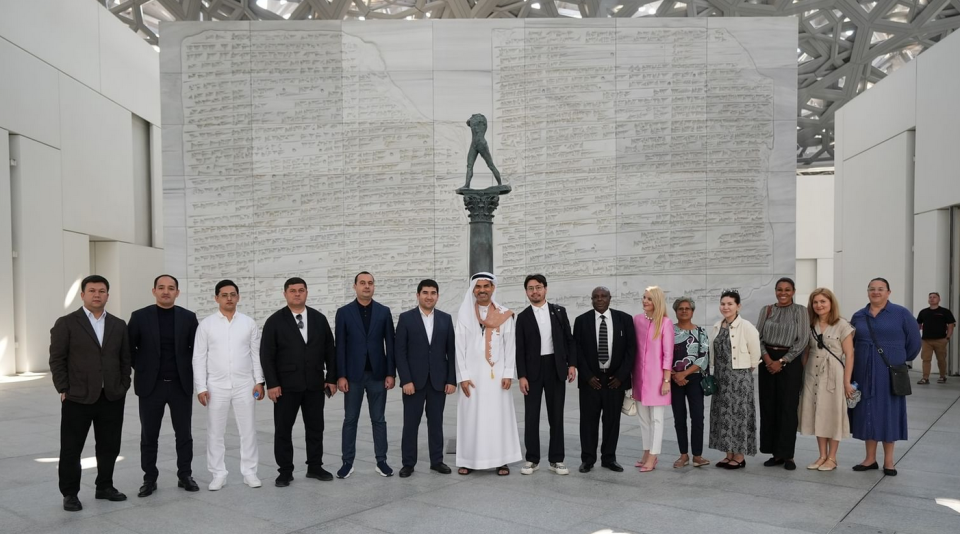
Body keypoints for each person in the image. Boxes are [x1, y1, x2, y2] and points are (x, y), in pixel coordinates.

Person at [49, 275, 131, 512]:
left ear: (108, 295)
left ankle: (104, 486)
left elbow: (125, 359)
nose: (97, 295)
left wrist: (123, 384)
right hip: (78, 397)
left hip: (112, 396)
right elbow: (57, 359)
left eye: (102, 291)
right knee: (71, 448)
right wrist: (63, 388)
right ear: (83, 295)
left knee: (109, 446)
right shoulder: (66, 323)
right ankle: (70, 494)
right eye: (92, 290)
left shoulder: (118, 324)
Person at [260, 277, 338, 487]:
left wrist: (331, 378)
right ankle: (285, 471)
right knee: (283, 429)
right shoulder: (274, 321)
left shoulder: (319, 319)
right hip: (285, 387)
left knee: (315, 428)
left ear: (306, 293)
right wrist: (272, 384)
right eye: (292, 290)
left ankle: (315, 466)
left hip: (314, 384)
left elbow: (330, 350)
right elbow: (267, 355)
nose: (297, 294)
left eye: (301, 290)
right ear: (285, 294)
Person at [128, 274, 200, 497]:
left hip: (180, 385)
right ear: (154, 291)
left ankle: (185, 475)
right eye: (161, 287)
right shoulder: (139, 317)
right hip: (152, 386)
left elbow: (196, 351)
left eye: (171, 288)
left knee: (184, 434)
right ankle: (149, 478)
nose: (166, 291)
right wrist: (143, 368)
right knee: (149, 435)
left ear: (178, 292)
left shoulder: (188, 318)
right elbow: (129, 349)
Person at [193, 280, 265, 490]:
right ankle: (218, 473)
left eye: (233, 294)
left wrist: (259, 381)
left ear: (238, 297)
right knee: (215, 431)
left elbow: (255, 354)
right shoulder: (206, 325)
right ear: (216, 298)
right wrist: (201, 387)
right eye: (224, 295)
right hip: (216, 386)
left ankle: (250, 472)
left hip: (245, 384)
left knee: (248, 430)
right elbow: (198, 357)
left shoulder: (248, 323)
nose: (229, 298)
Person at [849, 278, 921, 476]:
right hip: (863, 373)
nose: (876, 292)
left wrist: (899, 359)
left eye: (880, 289)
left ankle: (889, 461)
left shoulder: (901, 314)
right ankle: (870, 459)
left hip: (889, 373)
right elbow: (850, 343)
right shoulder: (859, 316)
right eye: (872, 289)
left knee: (889, 414)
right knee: (868, 413)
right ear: (867, 292)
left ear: (889, 292)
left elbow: (914, 342)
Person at [454, 272, 522, 475]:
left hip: (497, 376)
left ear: (493, 288)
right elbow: (459, 347)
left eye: (486, 286)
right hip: (472, 377)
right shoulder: (465, 314)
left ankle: (501, 460)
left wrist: (508, 373)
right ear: (473, 289)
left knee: (498, 417)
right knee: (470, 417)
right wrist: (463, 376)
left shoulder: (504, 314)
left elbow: (510, 345)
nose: (482, 290)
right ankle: (468, 459)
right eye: (478, 287)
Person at [335, 271, 396, 478]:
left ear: (374, 286)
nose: (366, 286)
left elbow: (391, 344)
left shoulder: (383, 311)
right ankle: (347, 462)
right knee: (350, 419)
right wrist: (341, 375)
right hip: (352, 376)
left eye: (370, 283)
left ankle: (382, 461)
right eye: (362, 283)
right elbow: (340, 346)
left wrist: (391, 373)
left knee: (379, 419)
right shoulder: (344, 313)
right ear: (355, 287)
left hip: (378, 375)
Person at [395, 279, 457, 478]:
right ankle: (408, 463)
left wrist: (451, 380)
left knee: (436, 423)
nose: (429, 296)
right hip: (414, 382)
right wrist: (406, 380)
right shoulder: (406, 318)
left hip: (438, 381)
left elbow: (451, 351)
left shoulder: (446, 319)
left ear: (437, 296)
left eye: (433, 293)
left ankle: (437, 461)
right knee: (410, 424)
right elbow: (400, 352)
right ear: (418, 295)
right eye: (425, 293)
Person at [516, 274, 576, 476]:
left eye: (538, 287)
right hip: (532, 371)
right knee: (531, 416)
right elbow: (520, 349)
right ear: (526, 292)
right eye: (531, 288)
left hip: (555, 367)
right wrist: (522, 375)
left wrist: (572, 364)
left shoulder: (559, 312)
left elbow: (569, 340)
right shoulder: (523, 317)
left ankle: (557, 459)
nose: (535, 291)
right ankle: (532, 459)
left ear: (546, 289)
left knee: (556, 415)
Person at [573, 286, 636, 473]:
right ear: (591, 300)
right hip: (590, 381)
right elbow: (577, 351)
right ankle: (588, 459)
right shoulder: (581, 321)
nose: (599, 299)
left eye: (603, 296)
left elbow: (631, 351)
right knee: (588, 422)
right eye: (596, 297)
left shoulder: (624, 319)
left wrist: (621, 376)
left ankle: (609, 458)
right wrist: (587, 376)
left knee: (612, 421)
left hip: (614, 380)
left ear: (610, 298)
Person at [798, 288, 856, 471]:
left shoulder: (842, 325)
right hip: (812, 374)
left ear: (831, 303)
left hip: (834, 374)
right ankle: (822, 455)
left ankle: (832, 457)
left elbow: (850, 355)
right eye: (815, 302)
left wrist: (847, 382)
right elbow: (806, 352)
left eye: (823, 301)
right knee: (818, 414)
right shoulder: (810, 324)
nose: (819, 305)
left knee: (833, 414)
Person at [757, 277, 809, 471]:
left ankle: (788, 455)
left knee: (788, 407)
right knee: (769, 406)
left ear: (793, 291)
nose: (783, 293)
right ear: (775, 291)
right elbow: (758, 336)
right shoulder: (767, 310)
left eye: (787, 289)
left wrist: (783, 361)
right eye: (779, 289)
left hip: (790, 362)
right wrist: (769, 360)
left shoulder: (800, 311)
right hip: (768, 360)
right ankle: (775, 453)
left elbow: (803, 339)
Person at [709, 289, 761, 470]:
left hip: (739, 378)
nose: (726, 307)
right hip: (721, 378)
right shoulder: (717, 325)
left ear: (738, 306)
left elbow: (755, 353)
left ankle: (739, 456)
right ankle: (728, 453)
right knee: (724, 416)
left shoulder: (746, 326)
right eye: (723, 304)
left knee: (738, 415)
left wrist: (745, 370)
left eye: (730, 304)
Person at [632, 286, 673, 472]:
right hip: (639, 377)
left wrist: (666, 380)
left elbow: (668, 354)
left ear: (657, 301)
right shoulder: (637, 320)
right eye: (644, 297)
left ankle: (654, 455)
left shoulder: (665, 323)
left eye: (649, 298)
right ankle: (646, 451)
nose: (645, 301)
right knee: (643, 418)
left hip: (657, 379)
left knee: (656, 418)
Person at [669, 296, 710, 469]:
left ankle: (698, 455)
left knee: (697, 417)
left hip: (694, 379)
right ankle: (683, 455)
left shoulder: (701, 332)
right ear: (676, 311)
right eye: (681, 308)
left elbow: (703, 358)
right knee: (679, 418)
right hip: (673, 379)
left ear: (692, 311)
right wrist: (674, 375)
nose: (684, 311)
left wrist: (683, 373)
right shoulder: (668, 331)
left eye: (687, 308)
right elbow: (662, 355)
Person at [916, 292, 955, 384]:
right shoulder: (923, 312)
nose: (932, 299)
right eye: (930, 297)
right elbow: (918, 324)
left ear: (939, 299)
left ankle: (942, 376)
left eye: (934, 297)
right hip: (926, 340)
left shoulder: (945, 312)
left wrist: (948, 337)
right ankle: (925, 378)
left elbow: (951, 324)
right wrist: (917, 335)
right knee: (926, 359)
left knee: (941, 359)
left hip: (940, 340)